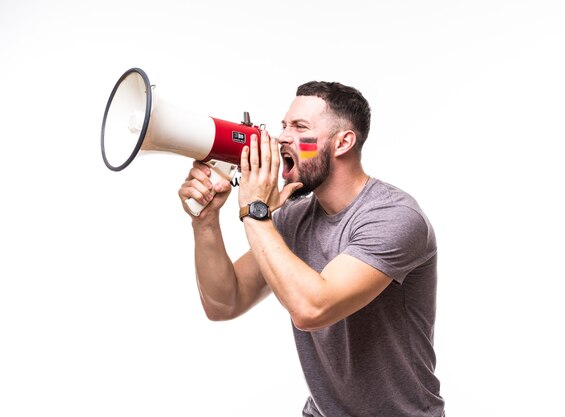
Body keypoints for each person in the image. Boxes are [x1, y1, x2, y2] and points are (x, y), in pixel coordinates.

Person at [178, 81, 445, 417]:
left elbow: (313, 309)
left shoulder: (394, 217)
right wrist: (205, 221)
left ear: (343, 142)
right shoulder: (294, 217)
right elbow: (224, 303)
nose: (281, 138)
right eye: (283, 126)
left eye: (300, 128)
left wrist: (255, 210)